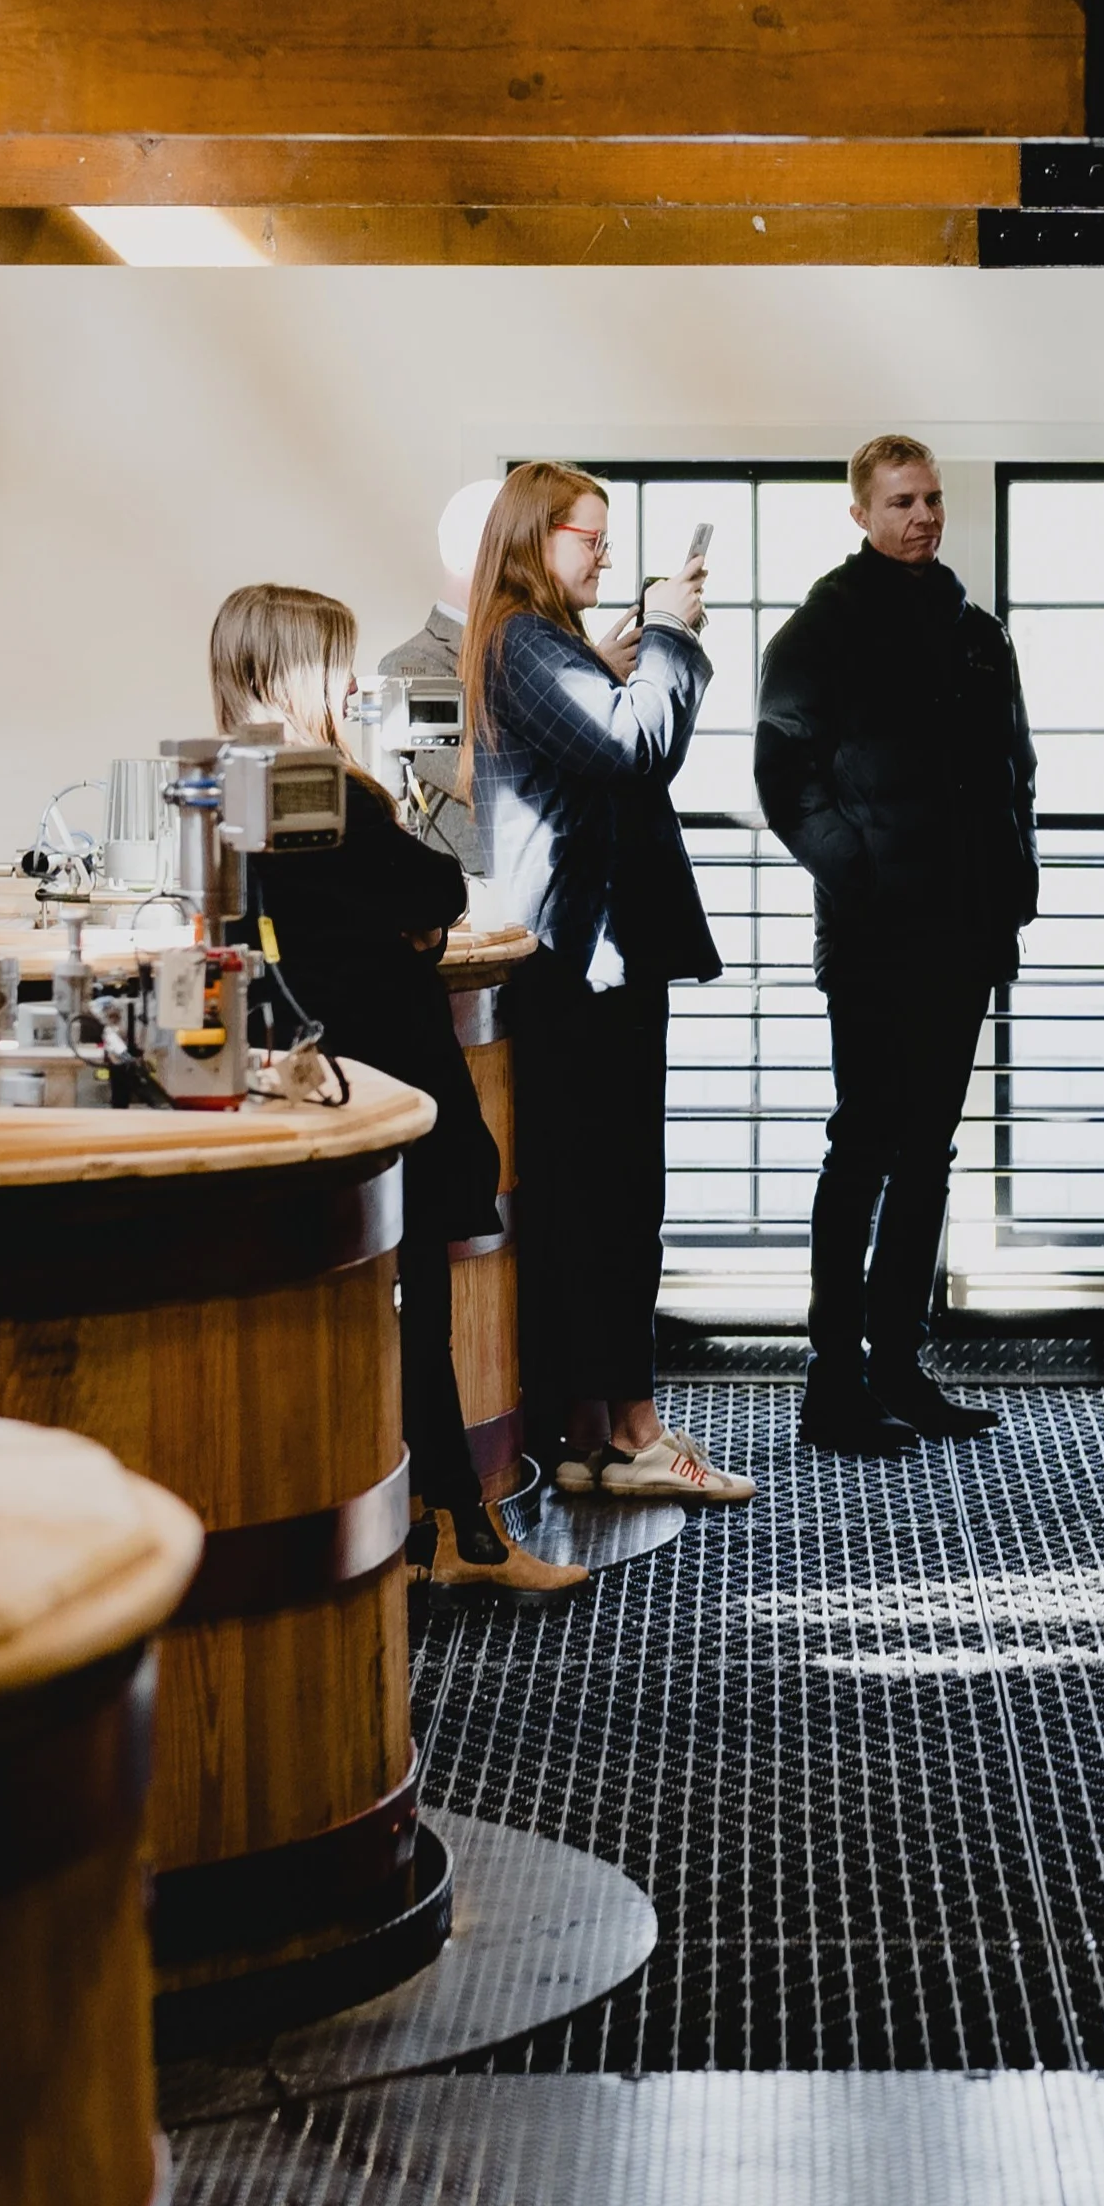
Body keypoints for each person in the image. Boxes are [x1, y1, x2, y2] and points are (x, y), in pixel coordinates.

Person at [209, 580, 584, 1596]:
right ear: (281, 669)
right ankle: (464, 1532)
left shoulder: (231, 778)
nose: (349, 676)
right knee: (412, 1303)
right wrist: (403, 919)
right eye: (331, 657)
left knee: (398, 1305)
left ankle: (440, 1529)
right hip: (380, 1068)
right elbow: (430, 888)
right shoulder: (307, 781)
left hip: (333, 1058)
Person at [465, 462, 753, 1511]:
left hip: (582, 957)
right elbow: (638, 745)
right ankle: (630, 1429)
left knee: (592, 1199)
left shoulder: (536, 645)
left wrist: (616, 659)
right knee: (619, 1197)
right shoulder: (518, 638)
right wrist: (671, 634)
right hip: (584, 961)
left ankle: (591, 1431)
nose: (607, 555)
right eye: (590, 537)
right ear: (537, 540)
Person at [755, 435, 1041, 1457]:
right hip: (875, 935)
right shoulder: (818, 631)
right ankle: (832, 1383)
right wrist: (865, 873)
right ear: (860, 511)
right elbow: (783, 784)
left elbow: (1016, 769)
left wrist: (1015, 884)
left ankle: (899, 1367)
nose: (921, 516)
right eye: (900, 501)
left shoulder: (975, 632)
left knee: (928, 1154)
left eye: (930, 499)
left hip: (964, 932)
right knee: (865, 1148)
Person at [373, 475, 500, 863]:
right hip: (475, 904)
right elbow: (485, 782)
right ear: (465, 555)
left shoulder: (536, 650)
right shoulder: (407, 667)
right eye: (509, 549)